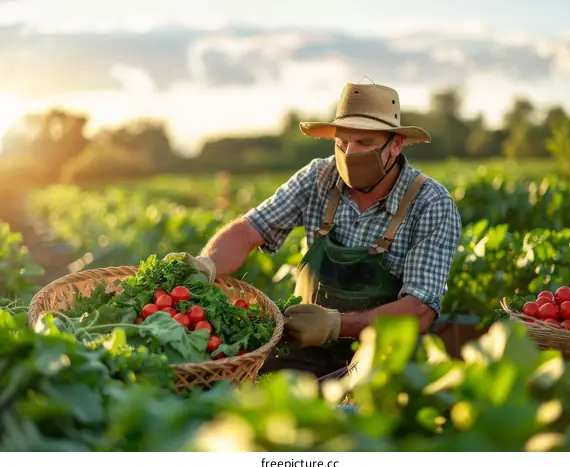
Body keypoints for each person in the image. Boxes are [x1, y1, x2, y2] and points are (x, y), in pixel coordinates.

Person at [165, 82, 462, 380]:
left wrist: (336, 325)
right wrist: (207, 265)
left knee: (353, 406)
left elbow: (420, 310)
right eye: (342, 142)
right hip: (307, 344)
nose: (350, 153)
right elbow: (248, 230)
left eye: (365, 143)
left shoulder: (430, 202)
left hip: (386, 350)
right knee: (254, 388)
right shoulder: (319, 177)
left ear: (395, 145)